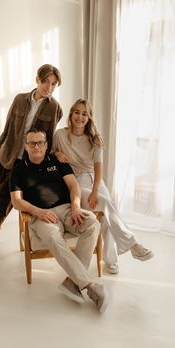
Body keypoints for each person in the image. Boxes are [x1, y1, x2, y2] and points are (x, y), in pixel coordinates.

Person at [0, 64, 63, 259]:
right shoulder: (19, 99)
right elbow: (6, 128)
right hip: (6, 156)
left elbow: (46, 141)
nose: (49, 87)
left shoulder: (54, 107)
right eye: (46, 82)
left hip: (24, 164)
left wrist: (39, 166)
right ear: (37, 79)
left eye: (54, 84)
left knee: (2, 203)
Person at [9, 128, 109, 313]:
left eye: (40, 142)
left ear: (47, 145)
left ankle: (73, 282)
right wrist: (38, 212)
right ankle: (90, 286)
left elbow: (73, 186)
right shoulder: (18, 170)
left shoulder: (57, 161)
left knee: (93, 223)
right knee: (54, 237)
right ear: (26, 146)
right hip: (41, 215)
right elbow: (16, 201)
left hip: (67, 209)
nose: (36, 146)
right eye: (32, 143)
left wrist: (76, 206)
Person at [53, 99, 154, 274]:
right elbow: (50, 153)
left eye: (85, 113)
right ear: (71, 114)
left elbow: (98, 167)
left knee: (108, 213)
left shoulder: (95, 139)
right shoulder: (60, 135)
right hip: (74, 182)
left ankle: (111, 260)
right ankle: (132, 244)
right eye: (77, 112)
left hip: (94, 180)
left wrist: (94, 190)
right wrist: (57, 153)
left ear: (89, 117)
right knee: (106, 205)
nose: (80, 116)